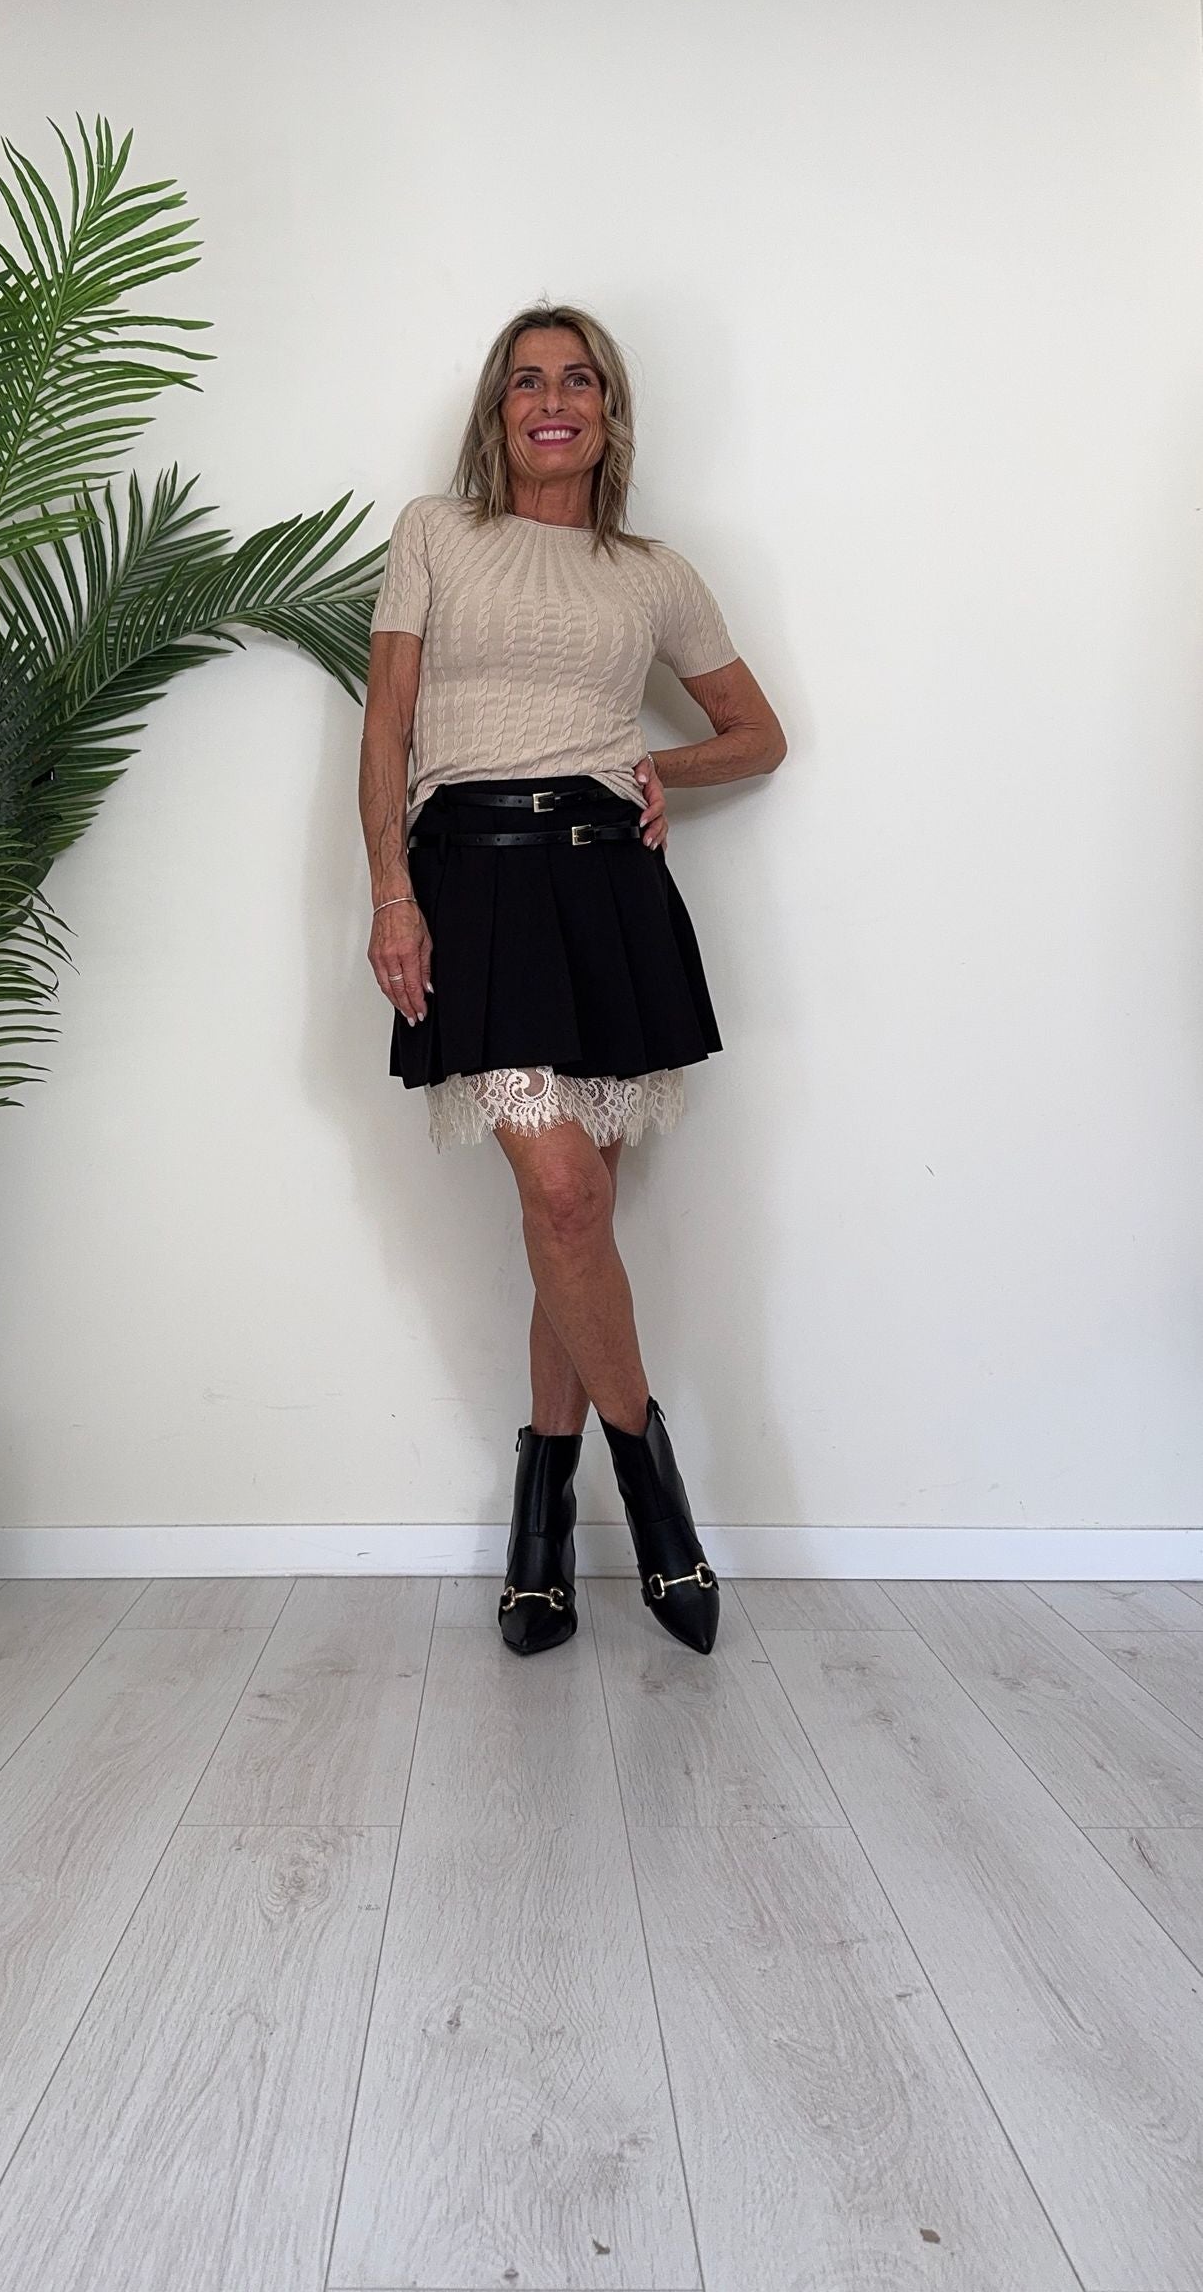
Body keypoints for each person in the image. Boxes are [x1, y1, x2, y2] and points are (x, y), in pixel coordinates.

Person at [358, 301, 786, 1661]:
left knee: (574, 1213)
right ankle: (655, 1495)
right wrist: (390, 893)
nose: (554, 400)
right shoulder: (436, 533)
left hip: (605, 891)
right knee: (564, 1193)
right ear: (498, 412)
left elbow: (758, 733)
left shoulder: (655, 572)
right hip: (473, 884)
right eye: (528, 381)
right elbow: (387, 731)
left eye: (579, 380)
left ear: (609, 411)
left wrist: (664, 767)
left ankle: (540, 1525)